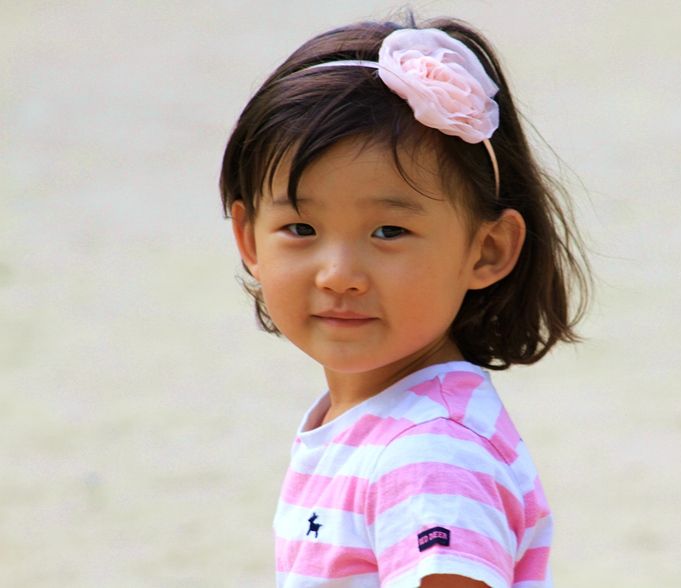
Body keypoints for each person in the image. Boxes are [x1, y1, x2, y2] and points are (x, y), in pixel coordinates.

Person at [220, 12, 591, 588]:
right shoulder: (375, 422)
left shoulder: (428, 454)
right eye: (300, 229)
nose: (339, 276)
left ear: (487, 249)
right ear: (250, 240)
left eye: (389, 232)